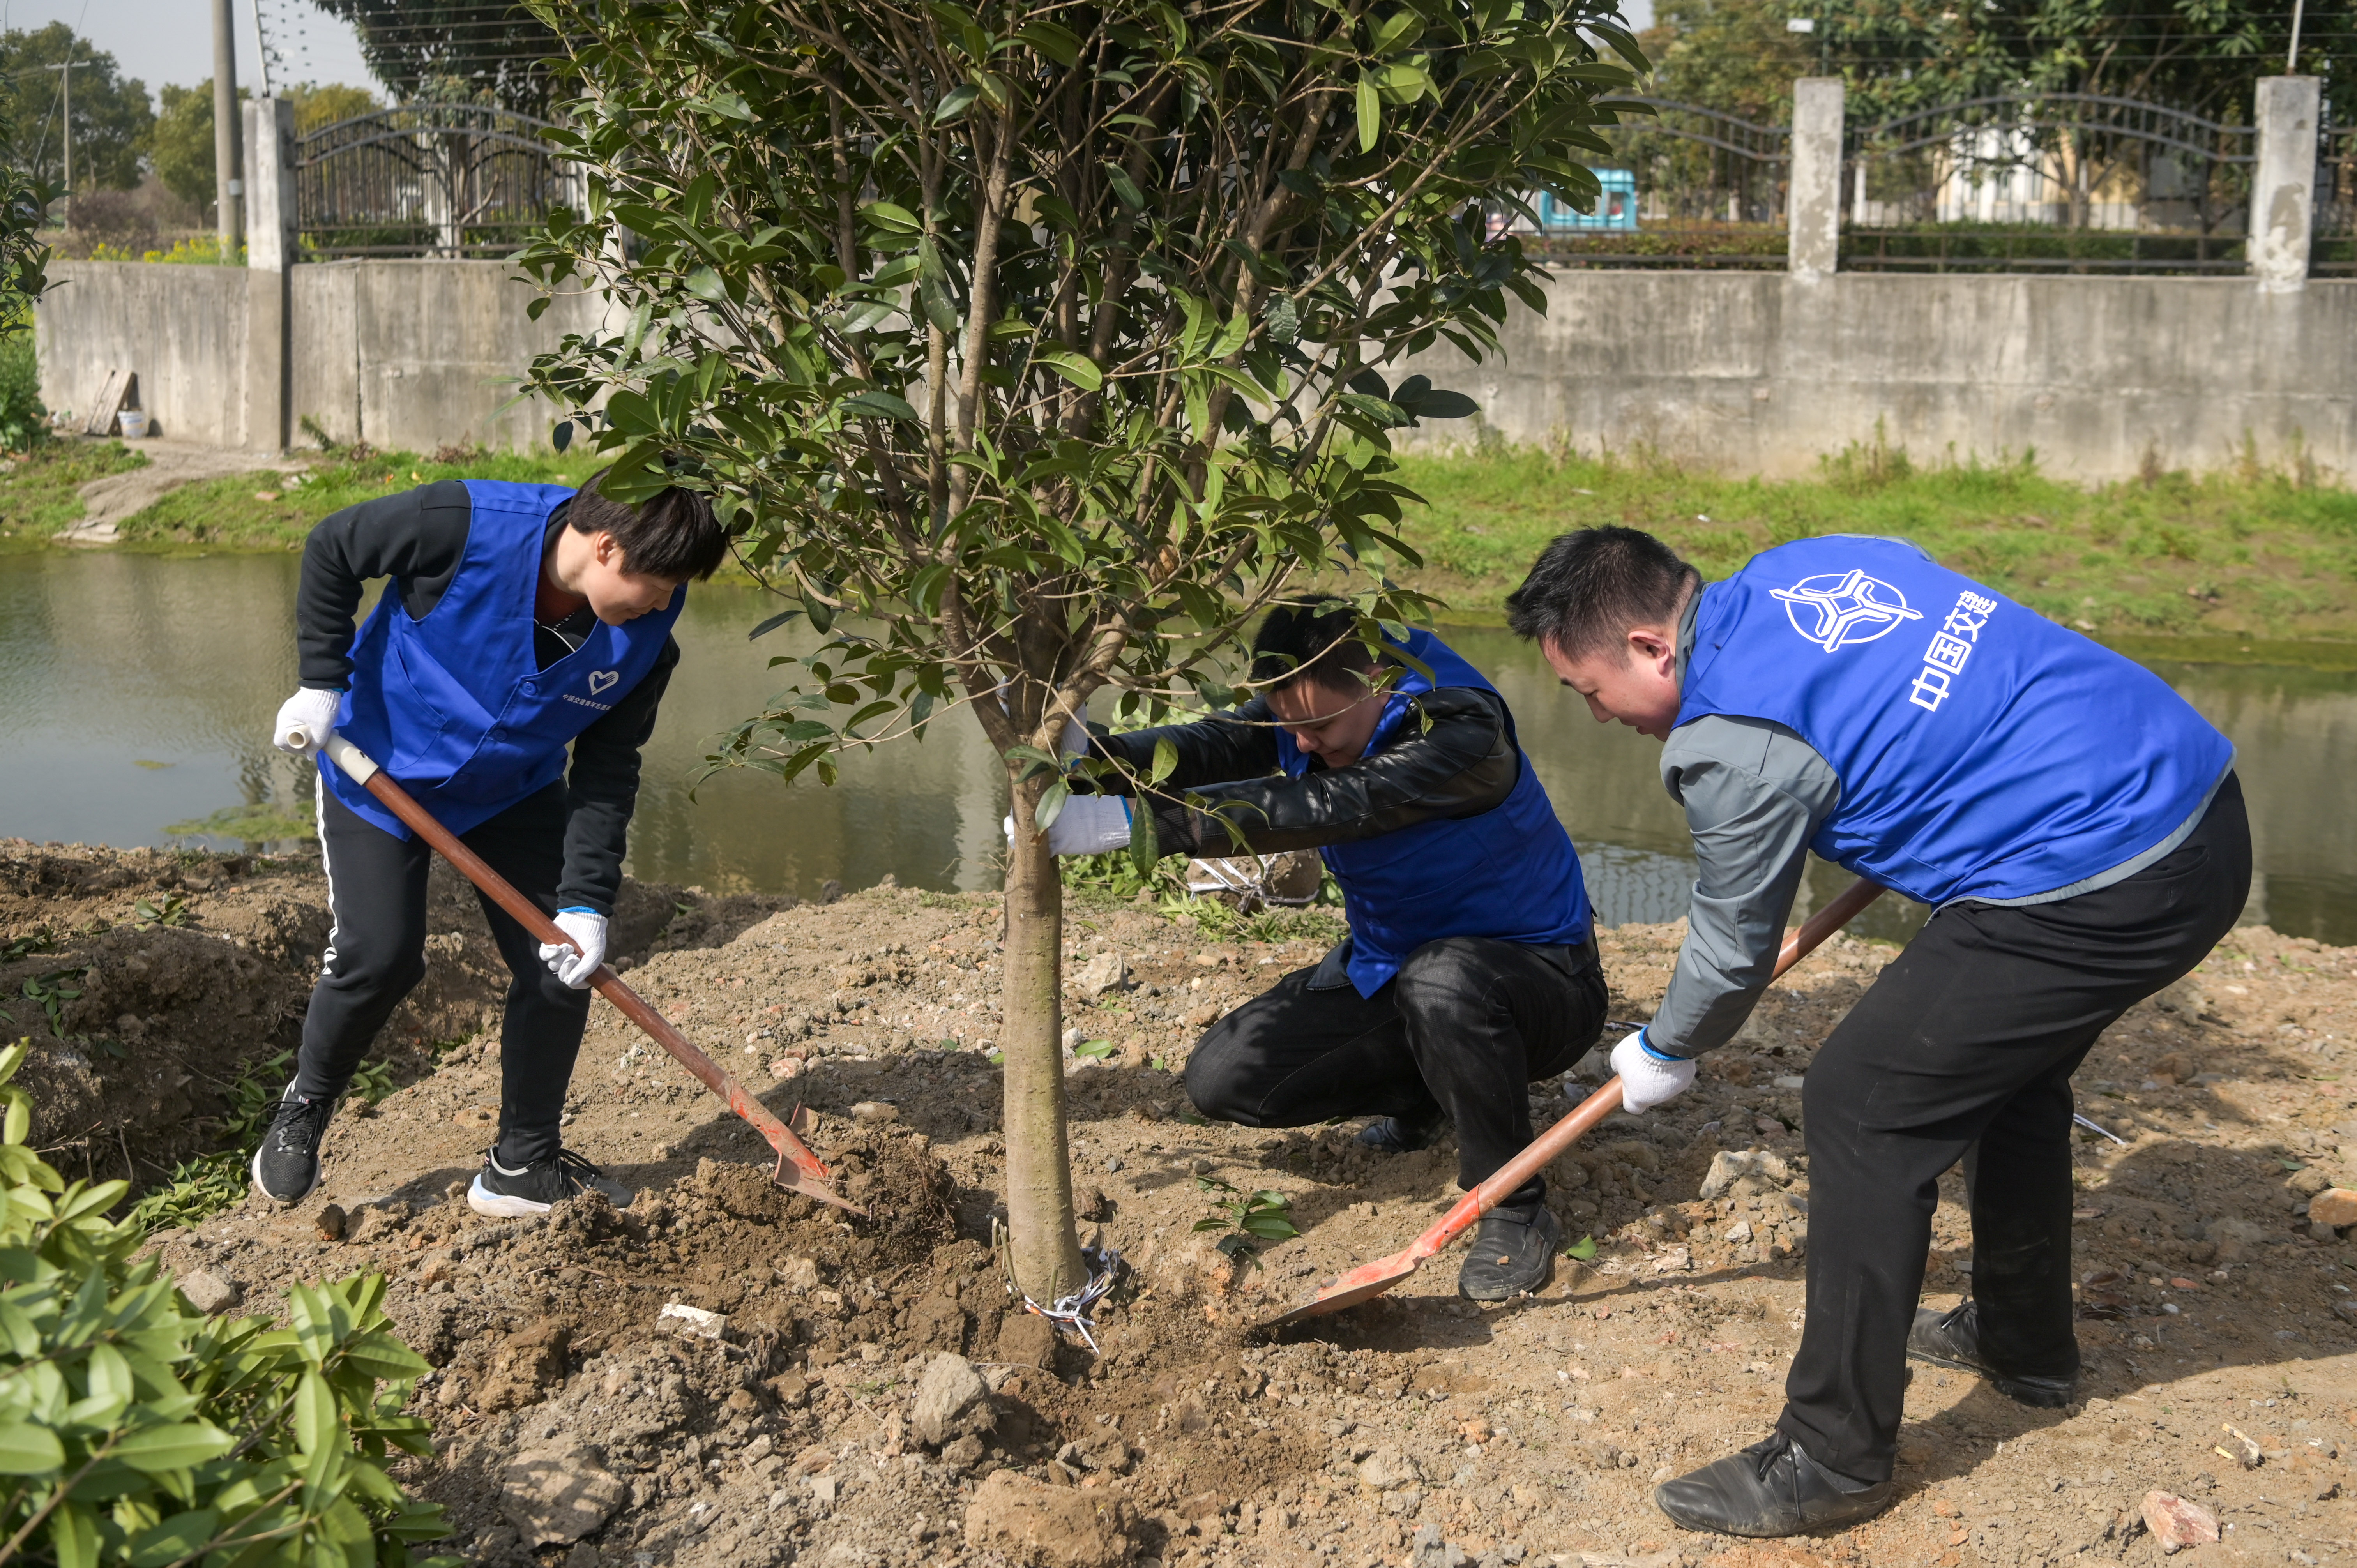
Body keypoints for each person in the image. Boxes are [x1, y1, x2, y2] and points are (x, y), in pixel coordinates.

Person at [1505, 528, 2247, 1537]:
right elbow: (1924, 662)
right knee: (1998, 1072)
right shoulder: (1813, 565)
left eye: (1587, 689)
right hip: (2192, 801)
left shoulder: (1731, 744)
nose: (1594, 717)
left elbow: (1731, 953)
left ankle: (1831, 1456)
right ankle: (2026, 1348)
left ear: (1650, 647)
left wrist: (1663, 1049)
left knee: (1861, 1103)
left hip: (2109, 868)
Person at [1035, 603, 1608, 1300]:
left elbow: (1347, 802)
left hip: (1540, 983)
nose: (1301, 745)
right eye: (1288, 729)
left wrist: (1135, 825)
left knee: (1445, 983)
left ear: (1376, 681)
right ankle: (1436, 1092)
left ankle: (1514, 1206)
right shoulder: (1311, 710)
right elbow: (1216, 745)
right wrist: (1089, 764)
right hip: (1398, 971)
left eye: (1317, 729)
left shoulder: (1463, 731)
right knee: (1225, 1078)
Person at [255, 467, 726, 1217]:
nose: (668, 603)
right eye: (662, 586)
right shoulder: (463, 524)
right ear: (606, 548)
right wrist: (321, 679)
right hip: (380, 773)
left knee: (560, 965)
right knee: (380, 956)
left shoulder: (646, 648)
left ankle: (520, 1166)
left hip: (512, 792)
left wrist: (585, 902)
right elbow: (334, 545)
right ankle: (305, 1105)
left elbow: (608, 773)